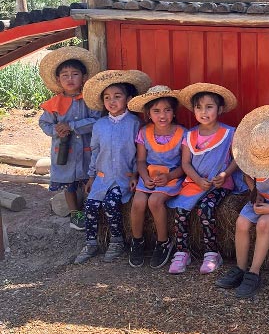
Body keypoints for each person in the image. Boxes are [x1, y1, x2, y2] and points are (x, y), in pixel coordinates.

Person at [216, 105, 269, 299]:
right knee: (241, 223)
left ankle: (254, 273)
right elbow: (248, 178)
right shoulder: (252, 158)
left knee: (263, 224)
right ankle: (240, 268)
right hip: (262, 200)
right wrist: (255, 192)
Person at [74, 69, 152, 264]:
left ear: (128, 98)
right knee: (91, 206)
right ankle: (91, 242)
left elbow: (139, 153)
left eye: (117, 96)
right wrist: (91, 177)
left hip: (123, 177)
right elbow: (95, 151)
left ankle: (116, 241)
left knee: (111, 204)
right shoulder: (100, 125)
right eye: (107, 97)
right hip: (102, 177)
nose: (112, 101)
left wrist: (135, 175)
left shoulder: (135, 124)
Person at [166, 82, 241, 275]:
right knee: (180, 211)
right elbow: (185, 164)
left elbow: (237, 159)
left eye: (209, 107)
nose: (203, 112)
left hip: (219, 185)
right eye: (199, 107)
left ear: (220, 109)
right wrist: (198, 180)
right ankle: (182, 252)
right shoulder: (189, 136)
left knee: (206, 209)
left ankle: (212, 253)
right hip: (194, 183)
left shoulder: (229, 133)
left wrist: (225, 174)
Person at [38, 46, 102, 231]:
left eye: (75, 74)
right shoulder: (53, 104)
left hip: (87, 149)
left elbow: (96, 121)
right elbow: (44, 124)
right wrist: (57, 130)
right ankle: (75, 213)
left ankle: (92, 211)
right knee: (69, 184)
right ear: (58, 80)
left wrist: (72, 126)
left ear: (83, 77)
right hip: (63, 152)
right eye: (64, 75)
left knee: (88, 180)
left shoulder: (90, 100)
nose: (70, 79)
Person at [126, 86, 186, 269]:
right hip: (149, 177)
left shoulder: (182, 133)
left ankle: (163, 242)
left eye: (167, 110)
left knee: (155, 201)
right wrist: (144, 177)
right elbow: (141, 160)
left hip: (172, 178)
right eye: (156, 111)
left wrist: (169, 177)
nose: (162, 115)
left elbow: (185, 165)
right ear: (148, 113)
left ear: (174, 112)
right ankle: (137, 241)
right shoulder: (144, 133)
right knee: (138, 201)